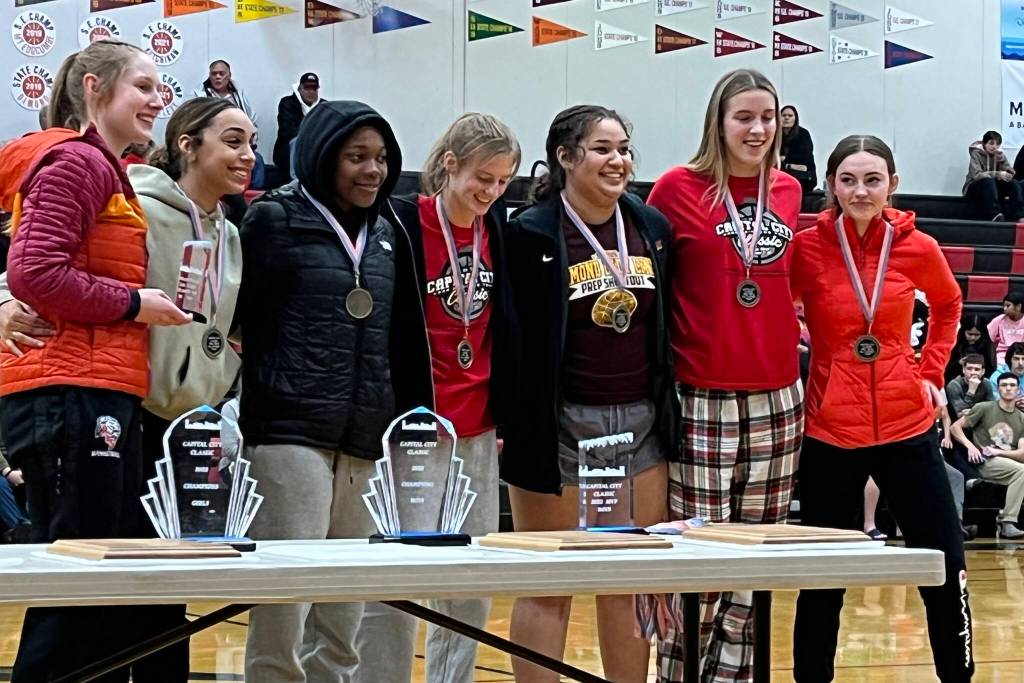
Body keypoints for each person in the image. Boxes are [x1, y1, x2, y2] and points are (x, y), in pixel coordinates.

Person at [0, 39, 191, 681]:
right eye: (142, 85)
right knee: (76, 594)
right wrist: (134, 302)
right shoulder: (77, 163)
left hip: (96, 389)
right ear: (93, 88)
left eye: (158, 88)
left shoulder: (99, 168)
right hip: (68, 392)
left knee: (97, 592)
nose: (156, 99)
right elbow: (33, 271)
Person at [501, 104, 676, 683]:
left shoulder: (651, 227)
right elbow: (514, 336)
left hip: (641, 422)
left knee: (628, 582)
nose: (618, 160)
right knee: (550, 584)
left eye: (624, 148)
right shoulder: (527, 232)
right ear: (566, 157)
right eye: (603, 148)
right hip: (557, 424)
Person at [790, 134, 972, 682]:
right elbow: (780, 308)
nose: (860, 191)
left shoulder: (917, 246)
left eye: (873, 180)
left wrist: (931, 371)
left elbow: (949, 305)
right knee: (822, 577)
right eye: (848, 180)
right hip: (829, 430)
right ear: (831, 186)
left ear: (893, 184)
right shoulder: (808, 246)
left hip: (906, 426)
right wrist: (809, 349)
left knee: (943, 563)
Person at [235, 100, 404, 683]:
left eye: (381, 158)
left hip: (362, 437)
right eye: (356, 157)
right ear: (322, 156)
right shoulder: (272, 220)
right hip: (288, 433)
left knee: (344, 606)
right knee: (286, 603)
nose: (372, 171)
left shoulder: (386, 231)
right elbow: (238, 320)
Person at [645, 69, 804, 683]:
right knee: (702, 556)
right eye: (744, 116)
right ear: (718, 121)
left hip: (778, 395)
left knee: (756, 559)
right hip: (701, 393)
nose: (758, 128)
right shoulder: (675, 189)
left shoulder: (788, 190)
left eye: (767, 116)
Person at [384, 112, 520, 683]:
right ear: (448, 165)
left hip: (478, 425)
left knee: (469, 577)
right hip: (414, 428)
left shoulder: (500, 232)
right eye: (481, 178)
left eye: (502, 182)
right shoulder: (401, 223)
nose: (490, 192)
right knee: (400, 575)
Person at [951, 372, 1024, 540]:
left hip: (1007, 462)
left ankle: (1007, 520)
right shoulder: (984, 407)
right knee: (1022, 471)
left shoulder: (1022, 418)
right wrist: (970, 447)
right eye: (1004, 385)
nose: (1008, 388)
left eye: (1012, 385)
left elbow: (1021, 454)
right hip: (986, 462)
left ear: (1018, 390)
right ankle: (1008, 522)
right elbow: (955, 427)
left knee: (1021, 470)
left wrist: (999, 451)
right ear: (998, 389)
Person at [963, 130, 1023, 221]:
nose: (994, 147)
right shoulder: (976, 153)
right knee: (989, 181)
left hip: (992, 188)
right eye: (991, 143)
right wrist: (997, 174)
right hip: (975, 187)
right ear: (984, 143)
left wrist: (1004, 164)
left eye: (997, 144)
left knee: (1014, 183)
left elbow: (1012, 173)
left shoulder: (999, 155)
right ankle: (995, 214)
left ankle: (1019, 215)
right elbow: (976, 175)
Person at [273, 72, 322, 179]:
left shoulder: (323, 106)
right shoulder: (287, 103)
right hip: (289, 151)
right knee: (297, 139)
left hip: (316, 150)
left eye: (314, 88)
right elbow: (287, 131)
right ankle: (296, 181)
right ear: (299, 88)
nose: (311, 91)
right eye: (307, 87)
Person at [945, 314, 997, 384]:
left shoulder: (987, 347)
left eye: (976, 335)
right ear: (964, 332)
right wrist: (958, 363)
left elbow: (991, 368)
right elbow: (946, 370)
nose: (973, 338)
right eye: (970, 334)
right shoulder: (956, 345)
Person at [947, 353, 996, 421]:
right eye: (969, 369)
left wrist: (975, 411)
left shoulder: (986, 383)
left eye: (977, 369)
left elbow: (992, 407)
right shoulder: (954, 385)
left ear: (983, 371)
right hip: (958, 424)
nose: (973, 372)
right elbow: (960, 414)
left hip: (982, 421)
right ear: (964, 370)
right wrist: (971, 391)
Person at [780, 105, 816, 194]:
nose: (786, 118)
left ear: (795, 118)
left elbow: (804, 161)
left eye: (790, 115)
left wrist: (785, 163)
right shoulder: (775, 135)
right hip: (782, 177)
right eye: (784, 115)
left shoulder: (803, 134)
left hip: (804, 178)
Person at [988, 291, 1024, 359]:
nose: (1004, 309)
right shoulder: (999, 320)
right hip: (1001, 357)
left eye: (1008, 306)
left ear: (1018, 306)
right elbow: (987, 339)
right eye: (1004, 306)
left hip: (1021, 356)